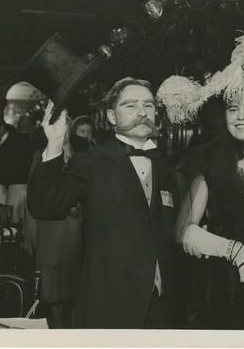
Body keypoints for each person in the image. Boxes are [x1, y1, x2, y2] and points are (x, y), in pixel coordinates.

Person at [28, 77, 179, 328]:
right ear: (111, 116)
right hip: (109, 304)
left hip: (161, 308)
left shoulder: (166, 166)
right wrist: (54, 143)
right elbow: (46, 206)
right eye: (130, 106)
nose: (142, 112)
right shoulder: (91, 162)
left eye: (149, 105)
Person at [170, 36, 244, 329]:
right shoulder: (212, 161)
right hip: (223, 286)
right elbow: (183, 232)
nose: (240, 118)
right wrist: (238, 252)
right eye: (232, 109)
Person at [29, 118, 84, 328]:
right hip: (51, 224)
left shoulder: (82, 156)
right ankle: (58, 325)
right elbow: (36, 191)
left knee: (73, 271)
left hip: (76, 225)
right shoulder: (41, 156)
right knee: (52, 276)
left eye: (67, 125)